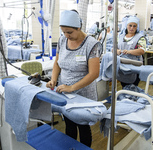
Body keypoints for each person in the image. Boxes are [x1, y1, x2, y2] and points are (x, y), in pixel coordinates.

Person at [46, 10, 102, 147]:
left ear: (79, 27)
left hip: (83, 93)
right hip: (64, 91)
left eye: (69, 32)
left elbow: (94, 73)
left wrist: (72, 87)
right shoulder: (62, 40)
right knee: (69, 124)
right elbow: (57, 63)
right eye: (63, 32)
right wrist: (53, 80)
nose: (66, 35)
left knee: (83, 126)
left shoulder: (92, 44)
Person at [117, 16, 146, 88]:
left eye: (134, 26)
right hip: (122, 66)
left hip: (134, 66)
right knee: (123, 85)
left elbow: (141, 50)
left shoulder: (140, 37)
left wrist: (129, 52)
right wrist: (117, 51)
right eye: (130, 25)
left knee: (132, 87)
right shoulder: (121, 36)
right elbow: (113, 48)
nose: (132, 28)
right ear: (126, 26)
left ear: (137, 27)